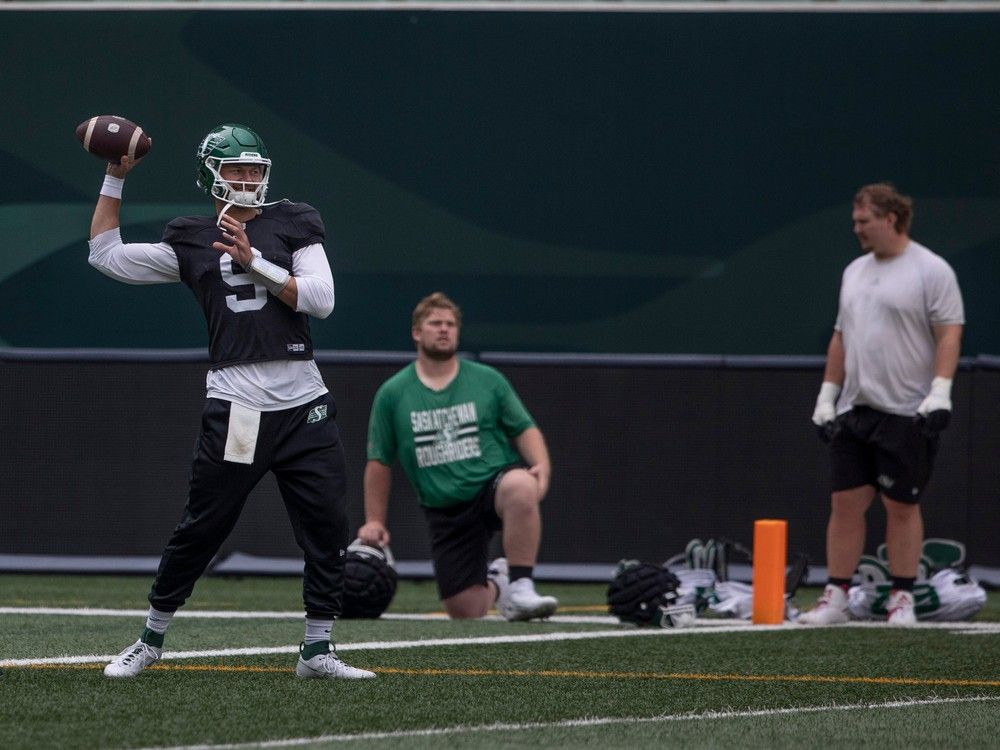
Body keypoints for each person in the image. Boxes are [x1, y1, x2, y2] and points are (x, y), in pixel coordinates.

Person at [88, 124, 373, 679]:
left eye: (255, 168)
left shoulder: (293, 220)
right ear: (211, 176)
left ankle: (317, 649)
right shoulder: (191, 236)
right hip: (240, 407)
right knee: (204, 525)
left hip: (304, 404)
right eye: (236, 169)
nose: (248, 179)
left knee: (326, 525)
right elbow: (107, 255)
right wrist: (113, 178)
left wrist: (255, 263)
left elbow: (321, 300)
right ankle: (150, 638)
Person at [800, 183, 964, 627]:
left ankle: (903, 598)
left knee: (901, 506)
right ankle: (836, 596)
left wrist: (939, 392)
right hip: (857, 410)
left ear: (890, 219)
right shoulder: (854, 270)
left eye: (863, 221)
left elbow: (949, 331)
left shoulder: (932, 270)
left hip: (907, 412)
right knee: (845, 503)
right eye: (855, 222)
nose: (857, 230)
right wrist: (827, 397)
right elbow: (841, 336)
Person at [358, 292, 558, 621]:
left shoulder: (487, 380)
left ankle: (522, 585)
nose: (444, 330)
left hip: (490, 485)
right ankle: (500, 583)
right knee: (466, 610)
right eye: (435, 323)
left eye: (450, 324)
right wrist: (375, 520)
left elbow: (524, 428)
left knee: (521, 484)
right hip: (445, 507)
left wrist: (542, 467)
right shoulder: (393, 393)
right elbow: (379, 461)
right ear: (417, 333)